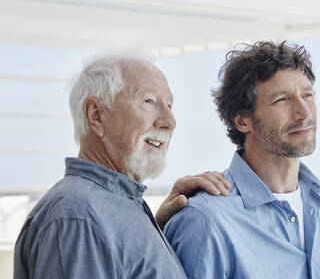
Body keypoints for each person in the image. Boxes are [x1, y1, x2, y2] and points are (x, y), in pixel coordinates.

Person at [14, 52, 230, 278]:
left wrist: (156, 227)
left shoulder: (107, 207)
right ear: (96, 115)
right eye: (149, 101)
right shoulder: (77, 216)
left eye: (169, 105)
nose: (170, 122)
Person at [163, 41, 320, 278]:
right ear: (242, 120)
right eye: (282, 100)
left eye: (307, 95)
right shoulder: (204, 221)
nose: (304, 112)